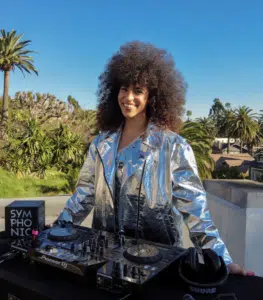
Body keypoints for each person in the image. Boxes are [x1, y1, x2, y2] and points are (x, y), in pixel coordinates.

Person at [56, 41, 253, 276]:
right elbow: (83, 196)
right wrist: (53, 232)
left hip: (159, 269)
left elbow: (196, 212)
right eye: (123, 88)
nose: (128, 97)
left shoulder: (174, 147)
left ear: (153, 96)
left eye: (138, 90)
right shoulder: (101, 144)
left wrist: (222, 260)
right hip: (104, 264)